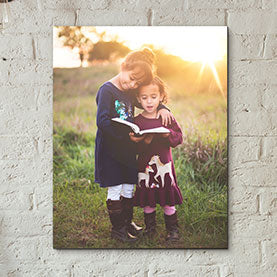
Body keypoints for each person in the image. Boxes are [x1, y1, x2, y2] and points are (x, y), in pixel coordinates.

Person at [94, 48, 174, 243]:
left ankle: (128, 222)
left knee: (129, 186)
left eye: (137, 83)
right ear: (123, 66)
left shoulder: (129, 91)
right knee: (115, 187)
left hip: (128, 149)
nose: (132, 84)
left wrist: (162, 107)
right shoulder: (107, 90)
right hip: (111, 149)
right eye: (131, 78)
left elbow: (145, 102)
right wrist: (124, 139)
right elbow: (102, 121)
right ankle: (118, 230)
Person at [129, 76, 183, 242]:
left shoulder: (166, 117)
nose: (149, 102)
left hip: (164, 166)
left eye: (153, 97)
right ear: (138, 99)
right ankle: (150, 229)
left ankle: (172, 230)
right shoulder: (137, 121)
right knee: (148, 201)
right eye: (144, 98)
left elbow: (179, 137)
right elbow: (134, 149)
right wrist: (139, 141)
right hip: (145, 167)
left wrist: (168, 134)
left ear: (161, 97)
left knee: (167, 200)